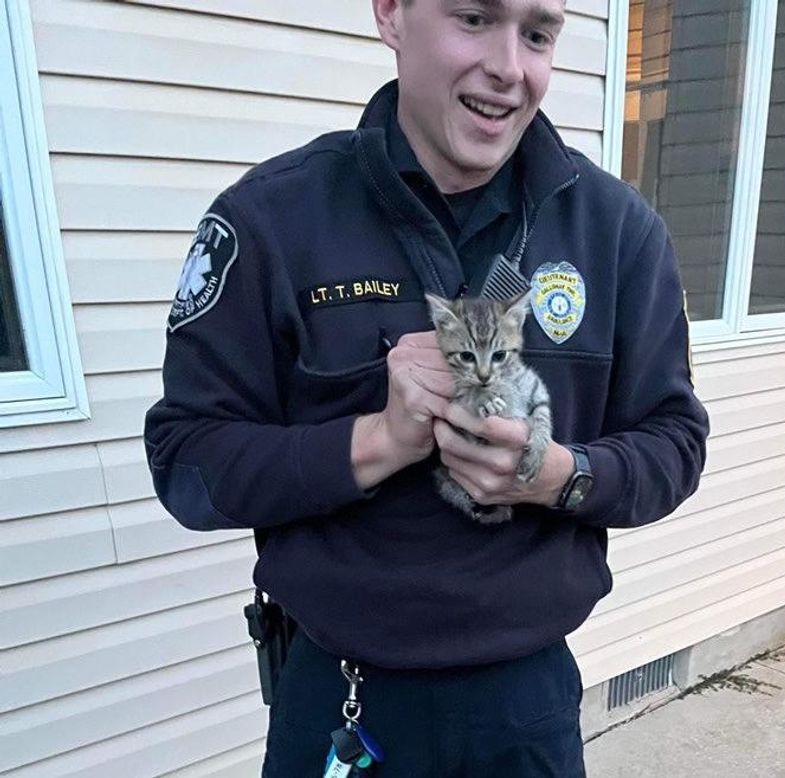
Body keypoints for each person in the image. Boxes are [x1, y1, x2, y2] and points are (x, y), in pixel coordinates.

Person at [143, 0, 710, 775]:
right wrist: (374, 442)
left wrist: (559, 476)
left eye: (538, 34)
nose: (510, 67)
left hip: (527, 708)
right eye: (474, 18)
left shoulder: (616, 235)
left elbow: (674, 444)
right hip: (341, 702)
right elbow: (187, 465)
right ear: (391, 14)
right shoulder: (273, 222)